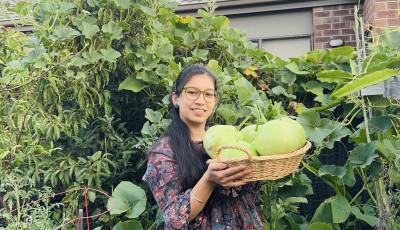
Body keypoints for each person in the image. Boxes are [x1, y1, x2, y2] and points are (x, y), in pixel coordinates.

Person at [143, 63, 264, 229]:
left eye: (208, 94)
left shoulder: (228, 139)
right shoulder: (163, 152)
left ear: (214, 100)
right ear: (175, 98)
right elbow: (174, 219)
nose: (201, 101)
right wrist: (209, 180)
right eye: (192, 92)